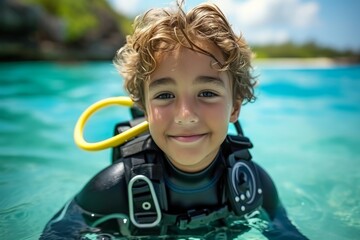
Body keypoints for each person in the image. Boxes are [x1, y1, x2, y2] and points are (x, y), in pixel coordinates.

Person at [41, 2, 309, 239]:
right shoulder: (113, 188)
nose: (185, 115)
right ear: (145, 110)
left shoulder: (253, 184)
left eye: (207, 93)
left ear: (234, 108)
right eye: (165, 95)